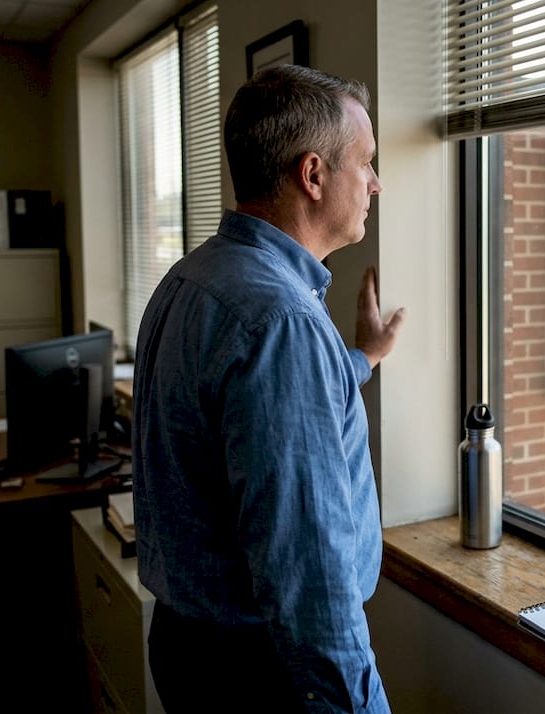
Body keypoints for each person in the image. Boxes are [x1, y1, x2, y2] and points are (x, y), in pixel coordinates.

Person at [132, 64, 405, 713]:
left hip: (187, 649)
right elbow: (309, 578)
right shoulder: (281, 321)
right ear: (313, 175)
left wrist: (361, 358)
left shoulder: (192, 278)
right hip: (263, 674)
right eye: (365, 162)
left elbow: (253, 411)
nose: (375, 182)